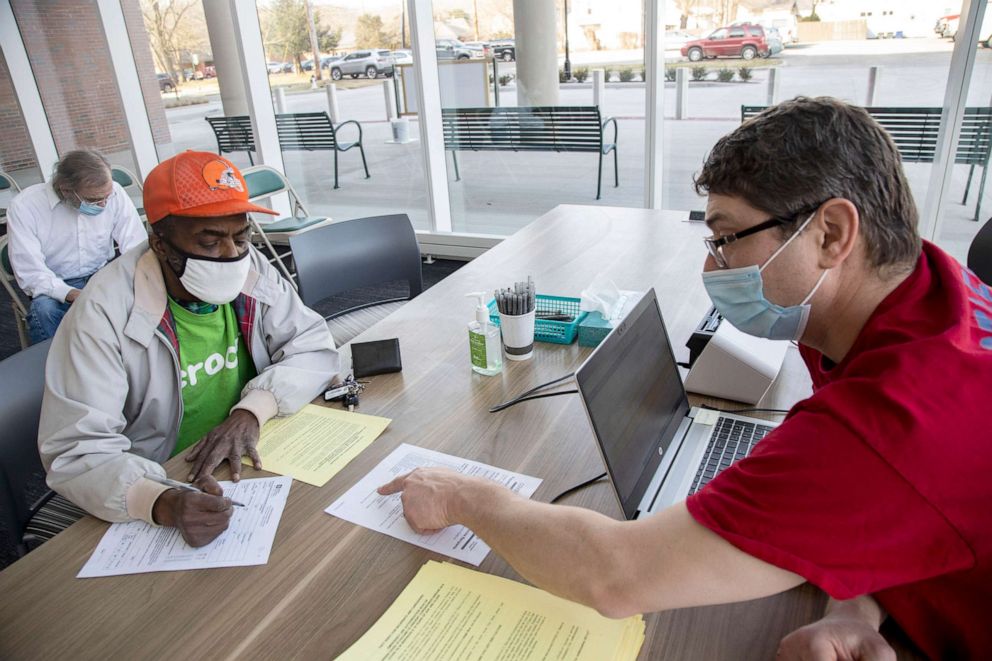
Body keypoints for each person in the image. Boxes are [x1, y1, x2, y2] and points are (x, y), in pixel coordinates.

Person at [378, 97, 992, 658]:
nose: (711, 264)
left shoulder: (889, 422)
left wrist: (465, 496)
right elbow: (910, 502)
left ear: (831, 234)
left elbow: (615, 575)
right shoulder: (933, 289)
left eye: (727, 237)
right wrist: (857, 600)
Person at [39, 150, 340, 547]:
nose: (232, 255)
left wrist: (252, 410)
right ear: (160, 244)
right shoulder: (103, 312)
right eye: (210, 241)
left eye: (241, 235)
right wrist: (161, 500)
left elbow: (313, 345)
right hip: (160, 474)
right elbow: (76, 450)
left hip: (251, 453)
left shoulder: (253, 270)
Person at [6, 149, 147, 343]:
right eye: (93, 200)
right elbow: (32, 273)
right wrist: (73, 294)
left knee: (145, 295)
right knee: (44, 311)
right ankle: (59, 369)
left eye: (106, 197)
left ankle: (131, 359)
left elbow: (136, 246)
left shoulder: (113, 192)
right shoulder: (25, 207)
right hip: (56, 283)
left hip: (101, 274)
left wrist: (134, 281)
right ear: (65, 189)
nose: (103, 205)